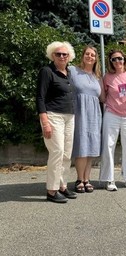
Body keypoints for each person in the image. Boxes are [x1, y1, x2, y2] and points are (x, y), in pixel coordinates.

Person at [36, 41, 77, 203]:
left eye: (64, 54)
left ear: (69, 57)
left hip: (69, 116)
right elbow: (40, 97)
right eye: (58, 54)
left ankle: (62, 186)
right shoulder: (47, 71)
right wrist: (44, 121)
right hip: (53, 116)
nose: (61, 56)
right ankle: (51, 191)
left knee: (67, 154)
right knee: (57, 152)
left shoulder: (69, 72)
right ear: (52, 55)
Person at [99, 49, 126, 191]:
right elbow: (103, 96)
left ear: (124, 59)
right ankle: (109, 179)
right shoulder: (107, 77)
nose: (118, 61)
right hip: (112, 114)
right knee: (108, 146)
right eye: (114, 59)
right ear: (110, 62)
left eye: (120, 58)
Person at [69, 45, 105, 193]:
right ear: (83, 55)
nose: (90, 57)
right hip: (79, 112)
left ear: (96, 58)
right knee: (81, 146)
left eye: (93, 55)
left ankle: (87, 179)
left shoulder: (98, 77)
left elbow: (103, 98)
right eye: (87, 54)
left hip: (95, 114)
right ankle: (79, 179)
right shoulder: (72, 70)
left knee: (91, 146)